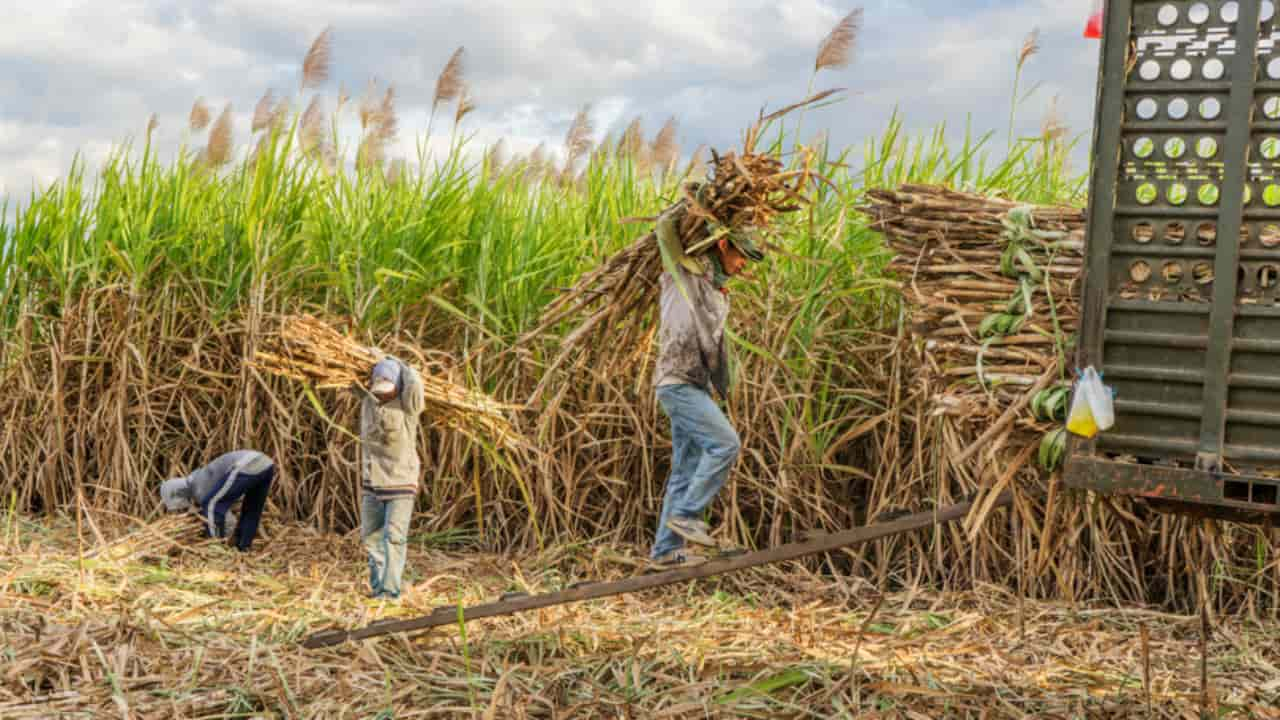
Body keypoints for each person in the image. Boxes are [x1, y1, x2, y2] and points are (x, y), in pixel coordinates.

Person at [648, 206, 764, 568]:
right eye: (742, 256)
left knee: (685, 469)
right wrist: (697, 202)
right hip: (676, 382)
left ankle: (665, 552)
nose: (744, 266)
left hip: (695, 387)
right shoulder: (683, 273)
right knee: (726, 443)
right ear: (724, 244)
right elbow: (664, 228)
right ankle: (687, 515)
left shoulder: (717, 293)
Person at [355, 355, 425, 600]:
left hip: (400, 484)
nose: (383, 393)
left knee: (394, 539)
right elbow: (352, 380)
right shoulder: (368, 404)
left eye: (388, 388)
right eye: (379, 388)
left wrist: (399, 364)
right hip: (372, 484)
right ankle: (378, 588)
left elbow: (414, 384)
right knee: (370, 538)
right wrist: (374, 361)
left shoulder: (408, 406)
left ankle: (390, 592)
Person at [160, 449, 276, 552]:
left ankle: (214, 547)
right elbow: (226, 501)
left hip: (247, 464)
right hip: (265, 464)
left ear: (180, 493)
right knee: (252, 509)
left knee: (210, 504)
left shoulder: (199, 486)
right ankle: (243, 547)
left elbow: (218, 511)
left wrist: (222, 537)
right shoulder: (200, 477)